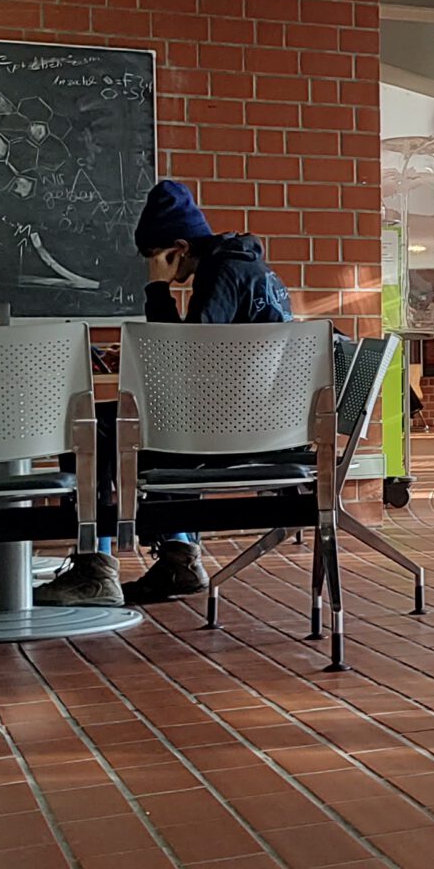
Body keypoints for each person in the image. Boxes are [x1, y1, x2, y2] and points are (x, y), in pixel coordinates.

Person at [37, 180, 294, 609]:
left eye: (154, 257)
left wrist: (158, 289)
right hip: (264, 427)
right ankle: (179, 559)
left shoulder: (219, 274)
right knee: (148, 422)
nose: (150, 266)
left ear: (178, 248)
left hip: (229, 436)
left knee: (87, 427)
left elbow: (182, 362)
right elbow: (202, 356)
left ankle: (94, 568)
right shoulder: (251, 269)